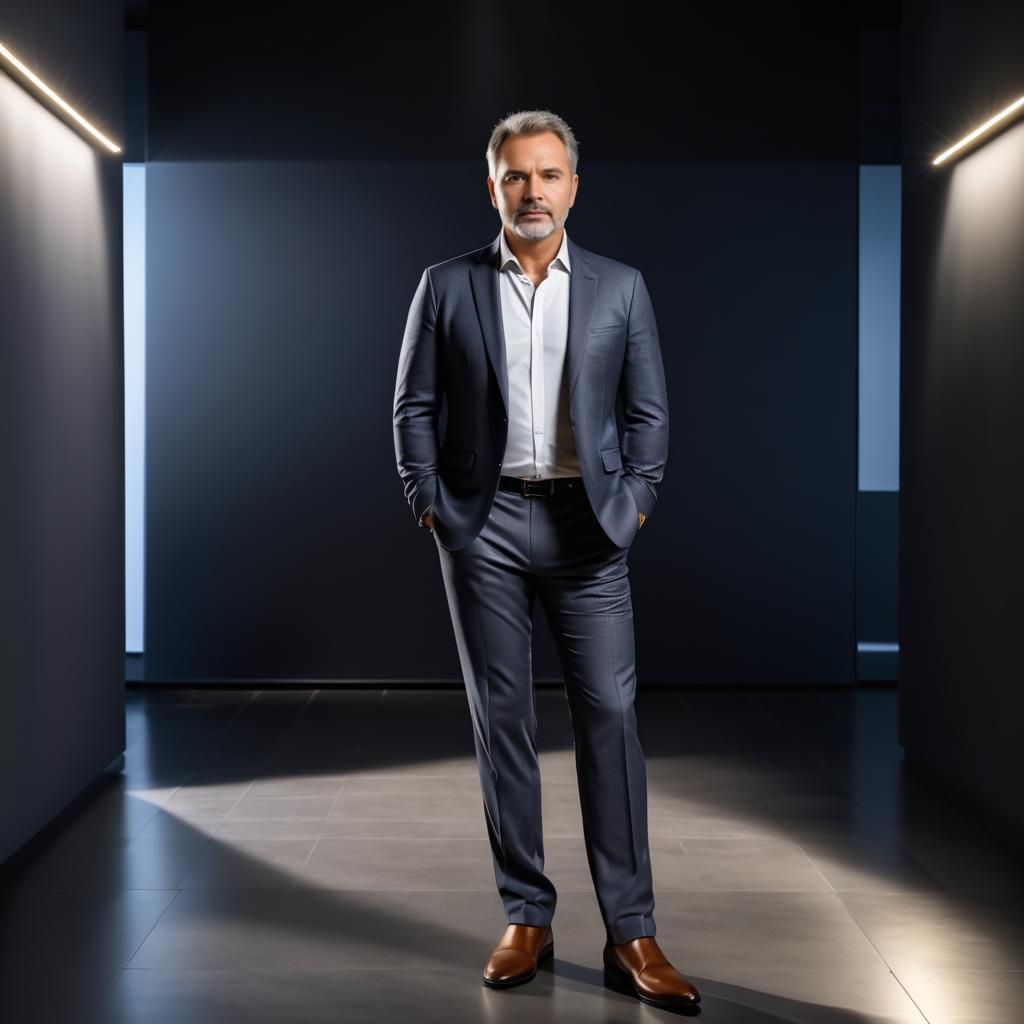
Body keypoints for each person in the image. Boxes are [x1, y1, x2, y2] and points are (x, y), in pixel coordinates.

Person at [392, 109, 700, 1011]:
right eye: (516, 176)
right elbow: (413, 404)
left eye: (549, 174)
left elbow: (650, 412)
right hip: (480, 528)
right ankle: (527, 914)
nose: (533, 191)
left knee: (610, 720)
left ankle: (632, 932)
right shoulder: (446, 285)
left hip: (588, 530)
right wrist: (429, 501)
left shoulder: (620, 287)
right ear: (493, 187)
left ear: (575, 184)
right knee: (505, 723)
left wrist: (634, 502)